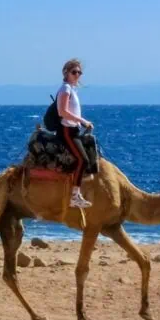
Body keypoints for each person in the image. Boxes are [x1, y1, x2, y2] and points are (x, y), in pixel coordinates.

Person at [56, 58, 93, 210]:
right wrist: (83, 121)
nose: (77, 75)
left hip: (74, 129)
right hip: (67, 130)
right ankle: (75, 196)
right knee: (82, 160)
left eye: (79, 72)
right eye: (74, 72)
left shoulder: (71, 89)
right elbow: (62, 112)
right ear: (66, 73)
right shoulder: (65, 89)